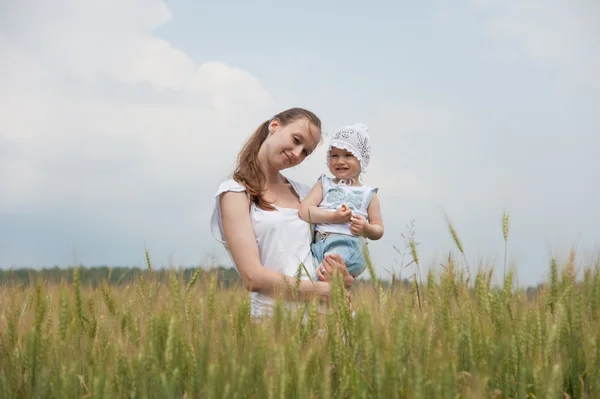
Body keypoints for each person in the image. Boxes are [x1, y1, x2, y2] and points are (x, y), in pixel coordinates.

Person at [210, 107, 354, 319]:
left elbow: (330, 254)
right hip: (275, 324)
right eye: (296, 140)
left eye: (306, 152)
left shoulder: (307, 194)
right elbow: (253, 277)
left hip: (330, 320)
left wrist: (344, 277)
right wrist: (323, 291)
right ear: (274, 126)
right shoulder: (235, 193)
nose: (297, 154)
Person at [299, 123, 384, 279]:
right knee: (310, 279)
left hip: (349, 244)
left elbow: (378, 229)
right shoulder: (323, 184)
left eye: (348, 155)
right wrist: (333, 217)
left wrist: (366, 229)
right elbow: (305, 211)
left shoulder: (368, 194)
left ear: (361, 159)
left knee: (323, 278)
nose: (340, 161)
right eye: (334, 155)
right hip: (320, 245)